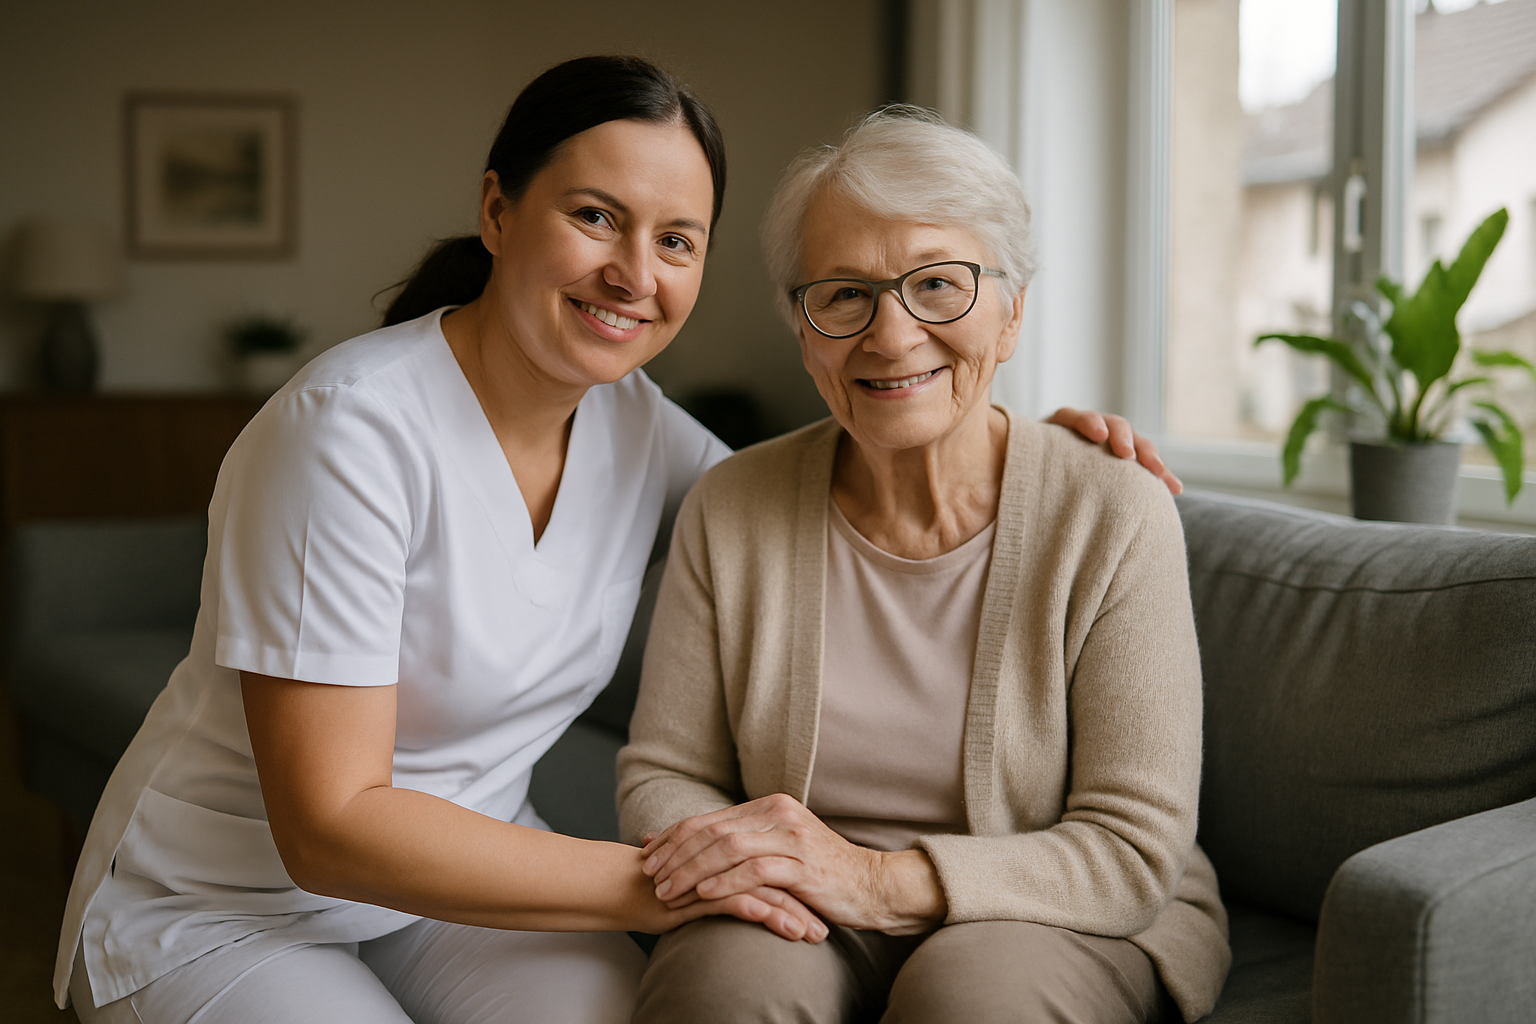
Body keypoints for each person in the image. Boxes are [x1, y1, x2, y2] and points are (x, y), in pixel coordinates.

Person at [54, 57, 1174, 1024]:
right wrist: (680, 879)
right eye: (594, 216)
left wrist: (1033, 444)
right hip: (230, 901)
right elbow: (331, 826)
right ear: (498, 211)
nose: (635, 273)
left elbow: (835, 471)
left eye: (676, 239)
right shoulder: (343, 433)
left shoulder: (651, 439)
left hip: (465, 892)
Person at [617, 107, 1231, 1024]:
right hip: (801, 906)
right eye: (844, 294)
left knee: (972, 999)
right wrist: (772, 870)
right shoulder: (732, 504)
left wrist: (875, 879)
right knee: (718, 994)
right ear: (801, 323)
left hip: (1054, 913)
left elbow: (1132, 849)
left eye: (939, 285)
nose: (893, 337)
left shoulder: (1111, 508)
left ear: (1012, 311)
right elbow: (663, 773)